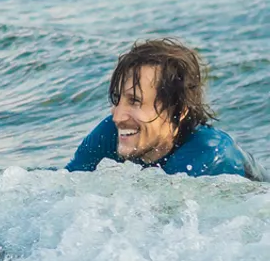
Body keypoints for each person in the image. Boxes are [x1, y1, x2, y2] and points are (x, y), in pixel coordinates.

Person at [66, 38, 263, 180]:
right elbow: (67, 185)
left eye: (134, 102)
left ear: (179, 110)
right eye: (117, 100)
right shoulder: (111, 133)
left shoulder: (209, 155)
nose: (117, 117)